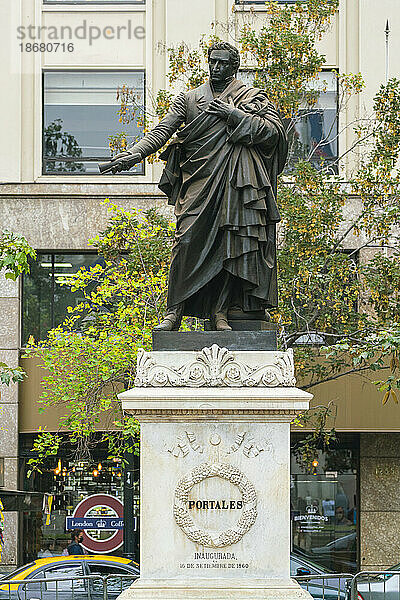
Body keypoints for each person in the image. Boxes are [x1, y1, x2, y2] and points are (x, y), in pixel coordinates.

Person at [112, 41, 288, 331]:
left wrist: (234, 116)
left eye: (222, 63)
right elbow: (162, 131)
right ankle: (174, 311)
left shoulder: (251, 97)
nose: (215, 67)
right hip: (200, 182)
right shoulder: (191, 99)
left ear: (235, 67)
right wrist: (134, 155)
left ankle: (219, 311)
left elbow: (273, 133)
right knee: (185, 241)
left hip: (235, 184)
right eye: (212, 62)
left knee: (228, 245)